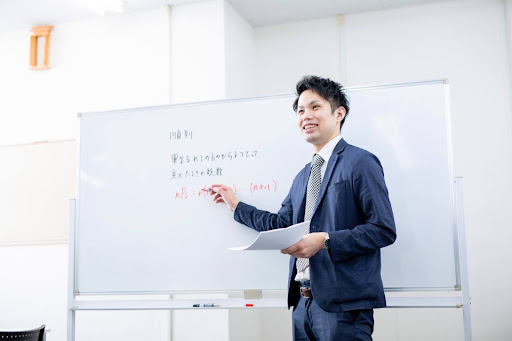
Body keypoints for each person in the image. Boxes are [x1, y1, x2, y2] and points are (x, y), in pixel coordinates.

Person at [211, 75, 396, 341]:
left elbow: (383, 230)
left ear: (339, 113)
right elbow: (281, 224)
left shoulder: (360, 162)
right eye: (300, 110)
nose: (305, 115)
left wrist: (325, 241)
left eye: (315, 107)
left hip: (342, 306)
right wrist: (236, 205)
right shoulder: (304, 175)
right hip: (301, 304)